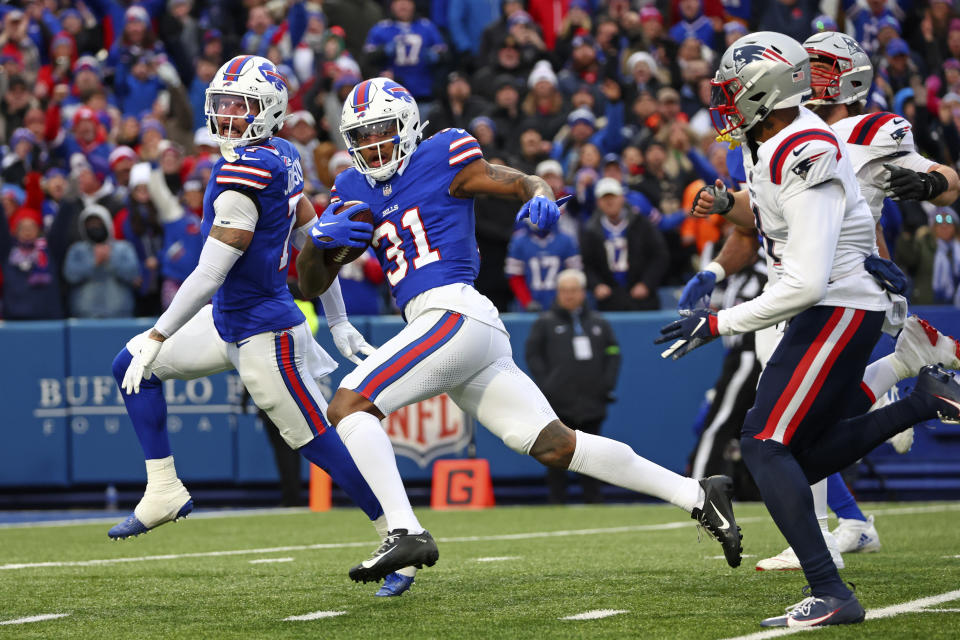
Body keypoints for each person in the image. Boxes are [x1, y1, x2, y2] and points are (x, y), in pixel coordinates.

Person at [296, 76, 744, 587]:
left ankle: (404, 529)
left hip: (453, 310)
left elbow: (511, 180)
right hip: (453, 328)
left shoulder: (442, 152)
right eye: (363, 136)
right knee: (556, 445)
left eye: (382, 131)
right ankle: (696, 494)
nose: (373, 146)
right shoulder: (352, 188)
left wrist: (541, 191)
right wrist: (317, 243)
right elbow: (310, 282)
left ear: (407, 125)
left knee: (349, 406)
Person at [662, 32, 960, 628]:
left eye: (732, 90)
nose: (721, 100)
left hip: (830, 296)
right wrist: (721, 246)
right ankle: (919, 397)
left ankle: (830, 585)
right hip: (816, 295)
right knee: (794, 447)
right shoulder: (768, 139)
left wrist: (716, 322)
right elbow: (766, 224)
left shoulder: (820, 140)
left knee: (764, 442)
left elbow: (811, 272)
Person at [108, 56, 412, 597]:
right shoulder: (282, 155)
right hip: (229, 319)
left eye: (238, 105)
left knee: (320, 443)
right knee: (129, 366)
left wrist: (157, 334)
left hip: (265, 331)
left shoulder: (245, 172)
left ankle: (399, 537)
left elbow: (212, 270)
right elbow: (314, 239)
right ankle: (163, 489)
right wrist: (338, 319)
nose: (225, 115)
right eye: (220, 103)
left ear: (267, 110)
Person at [525, 269, 620, 504]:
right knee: (556, 452)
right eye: (564, 291)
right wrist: (547, 384)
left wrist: (605, 384)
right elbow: (532, 354)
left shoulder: (598, 322)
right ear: (558, 293)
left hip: (592, 399)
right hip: (558, 402)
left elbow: (613, 352)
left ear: (582, 292)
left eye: (573, 290)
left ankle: (594, 499)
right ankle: (557, 500)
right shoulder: (545, 323)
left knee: (593, 452)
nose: (569, 296)